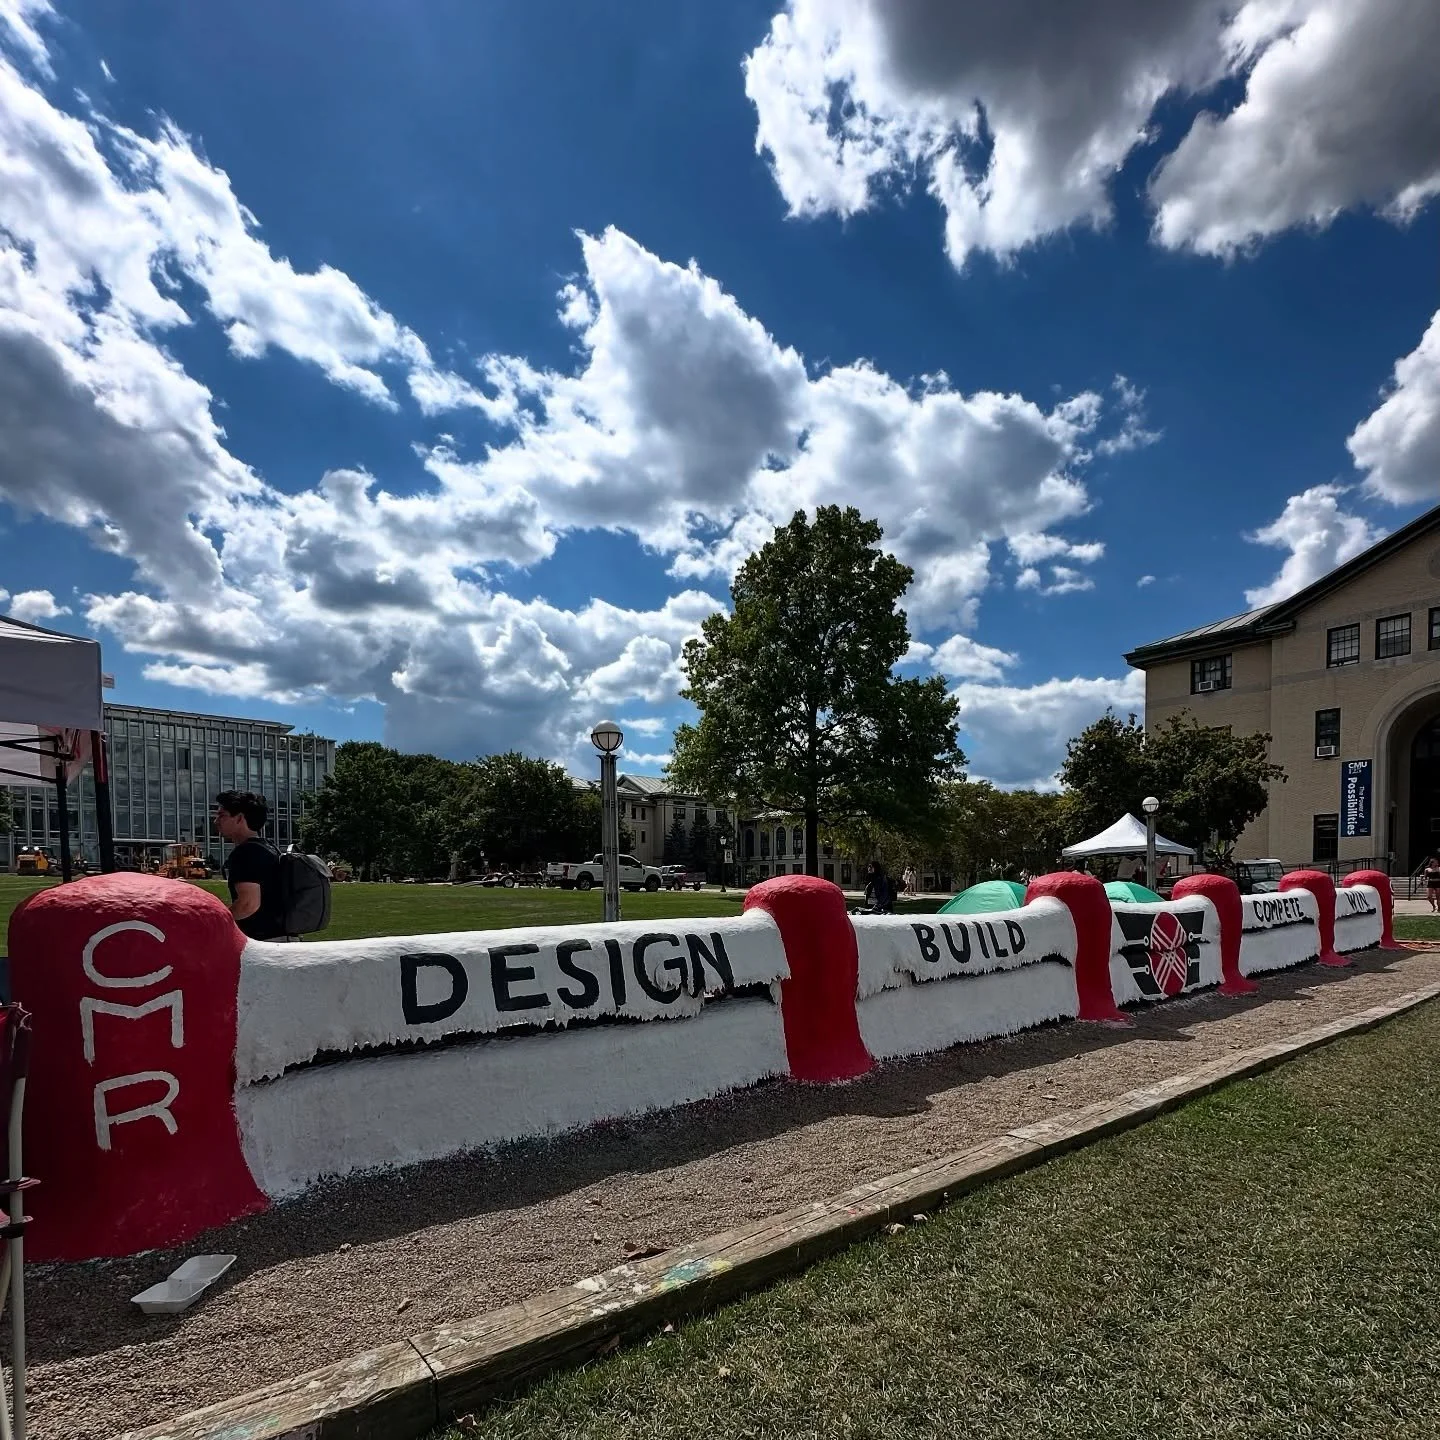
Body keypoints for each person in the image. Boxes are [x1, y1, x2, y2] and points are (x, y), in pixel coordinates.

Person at [214, 790, 287, 940]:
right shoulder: (269, 847)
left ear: (240, 818)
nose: (216, 821)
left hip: (265, 945)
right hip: (281, 939)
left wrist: (216, 923)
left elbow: (248, 904)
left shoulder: (246, 852)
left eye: (222, 815)